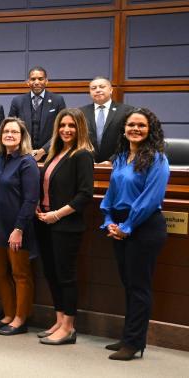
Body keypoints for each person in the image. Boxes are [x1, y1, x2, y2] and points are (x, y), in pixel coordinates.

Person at [100, 108, 170, 361]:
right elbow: (111, 193)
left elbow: (149, 200)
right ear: (124, 128)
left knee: (139, 287)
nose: (135, 129)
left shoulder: (157, 159)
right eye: (131, 125)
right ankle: (130, 336)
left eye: (141, 125)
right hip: (120, 226)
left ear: (150, 129)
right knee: (129, 285)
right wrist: (108, 220)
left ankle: (134, 343)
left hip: (145, 227)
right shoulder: (119, 158)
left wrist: (127, 227)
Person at [35, 108, 95, 346]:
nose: (66, 130)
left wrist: (57, 215)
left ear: (79, 128)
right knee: (52, 273)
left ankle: (69, 327)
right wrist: (39, 208)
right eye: (62, 125)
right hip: (46, 222)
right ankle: (59, 321)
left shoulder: (82, 155)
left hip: (66, 224)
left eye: (71, 125)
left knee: (66, 277)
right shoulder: (55, 153)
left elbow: (85, 195)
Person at [0, 118, 39, 336]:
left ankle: (20, 318)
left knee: (20, 275)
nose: (9, 134)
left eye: (14, 132)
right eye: (6, 131)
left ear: (22, 136)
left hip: (17, 228)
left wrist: (19, 229)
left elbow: (30, 199)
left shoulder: (27, 163)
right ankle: (8, 314)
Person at [8, 66, 67, 162]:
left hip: (50, 155)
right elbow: (11, 129)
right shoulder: (17, 101)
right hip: (22, 155)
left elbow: (62, 130)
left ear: (46, 81)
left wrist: (43, 151)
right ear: (28, 82)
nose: (36, 82)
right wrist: (25, 149)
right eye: (33, 79)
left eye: (40, 79)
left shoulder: (58, 101)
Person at [79, 76, 133, 163]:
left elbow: (129, 140)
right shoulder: (81, 112)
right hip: (87, 164)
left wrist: (112, 160)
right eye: (93, 88)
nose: (98, 90)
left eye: (102, 87)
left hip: (117, 163)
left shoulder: (126, 111)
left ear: (111, 90)